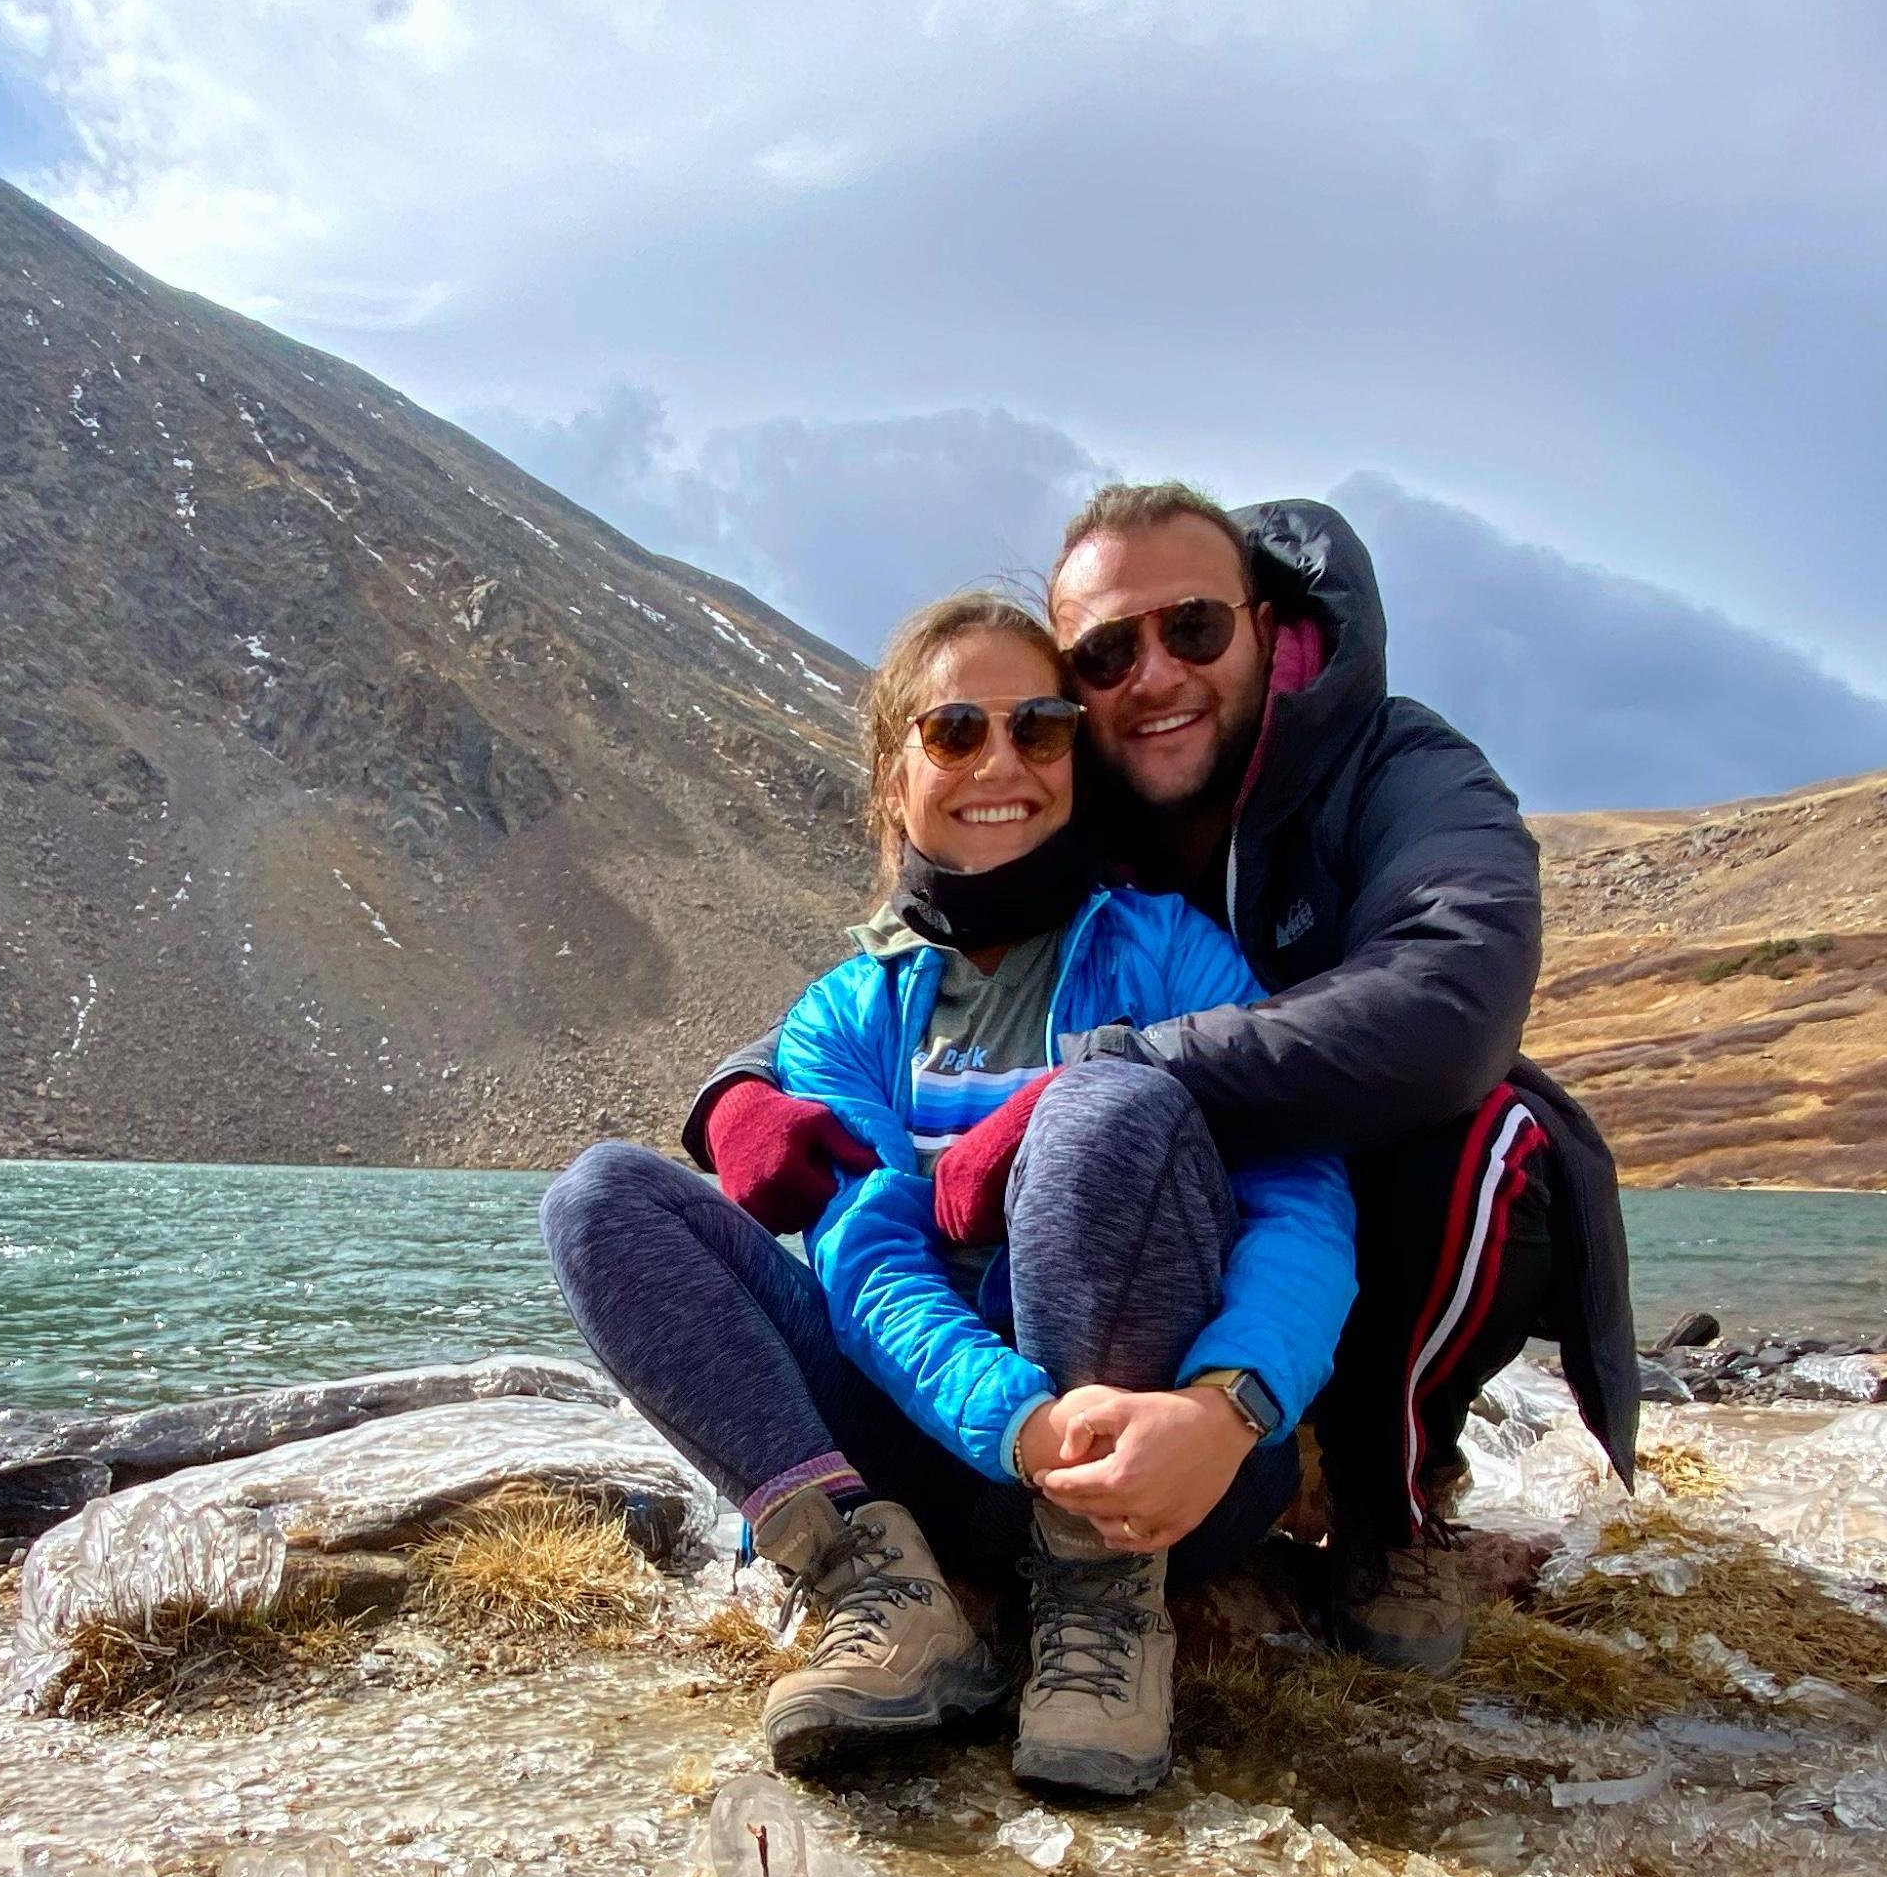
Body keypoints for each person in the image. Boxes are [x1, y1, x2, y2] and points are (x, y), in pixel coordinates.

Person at [685, 484, 1640, 1679]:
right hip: (1092, 1285)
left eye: (1192, 630)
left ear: (1264, 626)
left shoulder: (1396, 767)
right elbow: (917, 975)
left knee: (1483, 1143)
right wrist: (739, 1084)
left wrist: (1227, 1396)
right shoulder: (1090, 803)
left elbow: (1449, 1010)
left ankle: (1382, 1498)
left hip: (1355, 1143)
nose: (1153, 676)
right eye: (1103, 653)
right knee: (625, 1200)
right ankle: (940, 1538)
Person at [543, 590, 1355, 1801]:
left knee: (1106, 1104)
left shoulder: (1174, 950)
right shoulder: (847, 1011)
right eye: (954, 731)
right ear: (893, 776)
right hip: (943, 1446)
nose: (1002, 764)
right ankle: (881, 1587)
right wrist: (1017, 1424)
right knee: (602, 1198)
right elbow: (869, 1259)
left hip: (1164, 1474)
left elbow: (1301, 1195)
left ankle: (1106, 1612)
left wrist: (1232, 1406)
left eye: (1039, 727)